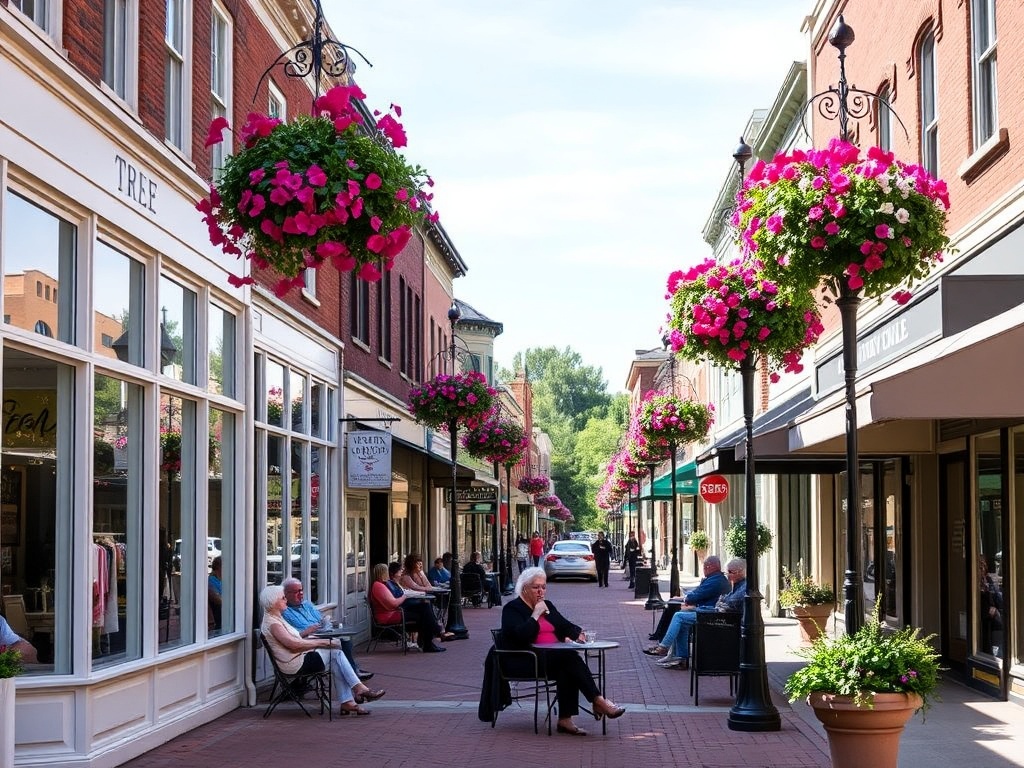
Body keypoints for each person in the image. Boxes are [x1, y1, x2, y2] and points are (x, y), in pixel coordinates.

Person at [501, 567, 626, 736]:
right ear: (524, 588)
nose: (541, 591)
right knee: (569, 659)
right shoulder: (512, 609)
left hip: (553, 658)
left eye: (544, 587)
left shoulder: (548, 606)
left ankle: (565, 720)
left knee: (567, 664)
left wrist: (576, 634)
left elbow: (564, 625)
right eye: (536, 587)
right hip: (526, 659)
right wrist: (535, 615)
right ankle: (598, 700)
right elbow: (520, 636)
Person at [259, 584, 384, 716]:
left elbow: (295, 639)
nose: (286, 600)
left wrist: (315, 639)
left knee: (336, 659)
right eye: (283, 598)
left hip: (299, 658)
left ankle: (349, 701)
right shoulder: (273, 623)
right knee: (335, 652)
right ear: (273, 603)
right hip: (295, 664)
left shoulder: (277, 619)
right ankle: (358, 690)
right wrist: (324, 643)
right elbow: (293, 645)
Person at [642, 555, 730, 669]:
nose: (703, 569)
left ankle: (664, 647)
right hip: (707, 610)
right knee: (681, 620)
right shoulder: (714, 579)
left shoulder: (716, 580)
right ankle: (680, 658)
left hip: (710, 614)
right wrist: (687, 599)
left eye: (704, 567)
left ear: (710, 567)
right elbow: (698, 593)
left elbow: (698, 595)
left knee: (679, 616)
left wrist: (686, 599)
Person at [281, 577, 374, 681]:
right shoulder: (285, 612)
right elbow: (292, 635)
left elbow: (320, 618)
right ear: (286, 594)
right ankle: (354, 674)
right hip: (308, 641)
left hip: (321, 633)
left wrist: (327, 621)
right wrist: (308, 630)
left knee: (345, 638)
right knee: (339, 644)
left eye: (301, 590)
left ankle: (354, 673)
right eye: (296, 591)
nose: (301, 593)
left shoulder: (307, 604)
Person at [369, 563, 448, 652]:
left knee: (425, 607)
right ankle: (433, 637)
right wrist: (404, 596)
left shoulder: (382, 584)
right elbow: (393, 603)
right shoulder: (378, 586)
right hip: (390, 616)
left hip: (395, 612)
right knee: (424, 615)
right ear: (383, 572)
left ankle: (429, 641)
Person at [979, 554, 1004, 657]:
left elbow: (999, 600)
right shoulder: (975, 583)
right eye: (980, 566)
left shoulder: (988, 580)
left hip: (994, 621)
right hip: (982, 621)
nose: (982, 568)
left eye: (984, 565)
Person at [208, 556, 223, 631]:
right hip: (219, 617)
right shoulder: (211, 581)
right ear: (219, 567)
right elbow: (218, 600)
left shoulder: (224, 579)